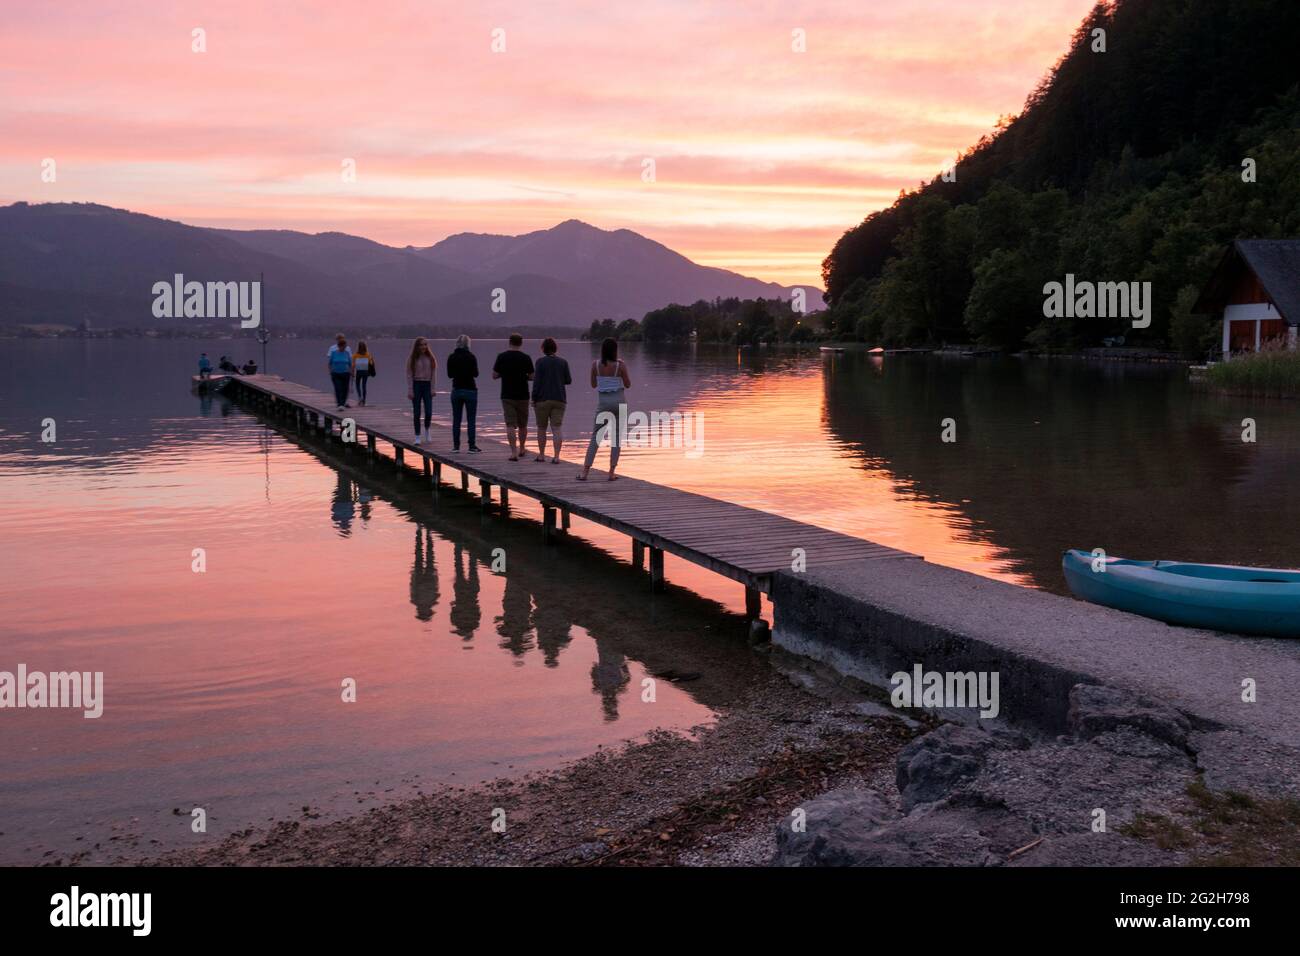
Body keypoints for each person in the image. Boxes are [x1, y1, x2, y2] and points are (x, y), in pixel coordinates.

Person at [578, 337, 631, 481]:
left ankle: (585, 472)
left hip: (603, 404)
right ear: (615, 350)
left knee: (596, 437)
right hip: (619, 402)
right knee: (616, 438)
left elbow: (593, 385)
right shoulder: (620, 365)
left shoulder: (595, 365)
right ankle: (611, 473)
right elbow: (628, 384)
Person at [492, 333, 534, 461]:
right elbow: (532, 376)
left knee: (510, 424)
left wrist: (504, 374)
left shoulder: (502, 357)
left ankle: (513, 452)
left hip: (507, 395)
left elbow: (494, 375)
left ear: (509, 342)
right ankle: (522, 448)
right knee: (523, 425)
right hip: (523, 395)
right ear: (521, 343)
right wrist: (524, 376)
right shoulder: (526, 358)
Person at [531, 337, 571, 463]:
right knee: (557, 428)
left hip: (542, 400)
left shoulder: (540, 362)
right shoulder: (563, 362)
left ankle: (542, 455)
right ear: (555, 348)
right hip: (559, 399)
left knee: (541, 428)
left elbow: (536, 382)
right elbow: (568, 380)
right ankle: (557, 456)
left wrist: (533, 398)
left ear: (543, 349)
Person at [446, 334, 481, 453]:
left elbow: (449, 375)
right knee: (471, 420)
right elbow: (476, 374)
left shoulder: (451, 357)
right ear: (468, 344)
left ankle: (456, 447)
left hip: (456, 390)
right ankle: (471, 446)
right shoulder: (471, 357)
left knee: (456, 419)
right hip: (470, 390)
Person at [406, 337, 437, 444]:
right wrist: (410, 390)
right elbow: (409, 375)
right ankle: (417, 436)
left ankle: (427, 429)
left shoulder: (431, 358)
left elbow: (433, 375)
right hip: (416, 385)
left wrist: (433, 388)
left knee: (428, 411)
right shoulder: (412, 358)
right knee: (417, 412)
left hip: (427, 385)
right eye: (421, 345)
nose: (423, 347)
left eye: (425, 344)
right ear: (417, 346)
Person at [327, 334, 353, 409]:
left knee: (345, 389)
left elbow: (350, 363)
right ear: (340, 346)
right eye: (343, 346)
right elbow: (329, 363)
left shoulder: (347, 353)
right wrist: (330, 371)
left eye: (345, 346)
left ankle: (343, 403)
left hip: (345, 373)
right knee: (338, 388)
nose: (345, 347)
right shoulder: (334, 352)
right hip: (335, 374)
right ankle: (339, 404)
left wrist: (351, 372)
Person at [352, 341, 376, 406]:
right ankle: (364, 400)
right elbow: (371, 364)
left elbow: (353, 365)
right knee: (364, 385)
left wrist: (352, 372)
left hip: (359, 371)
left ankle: (360, 397)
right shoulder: (368, 355)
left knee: (357, 384)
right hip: (365, 372)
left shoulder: (355, 355)